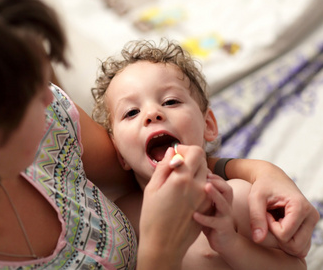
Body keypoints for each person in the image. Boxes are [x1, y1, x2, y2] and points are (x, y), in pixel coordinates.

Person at [0, 0, 316, 270]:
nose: (53, 99)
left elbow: (155, 161)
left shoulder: (53, 126)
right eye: (34, 93)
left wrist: (260, 172)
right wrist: (158, 252)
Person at [91, 39, 310, 269]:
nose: (152, 113)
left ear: (208, 125)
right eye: (132, 112)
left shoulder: (237, 198)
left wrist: (230, 244)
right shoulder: (122, 217)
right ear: (120, 154)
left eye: (170, 101)